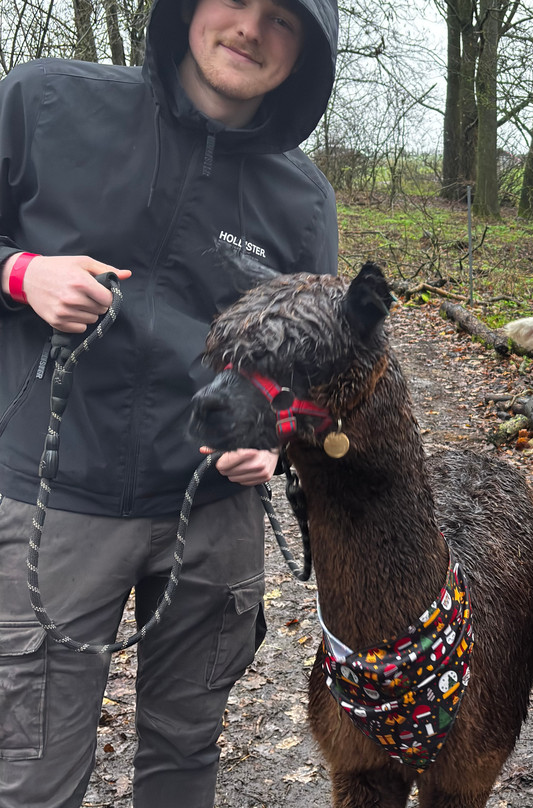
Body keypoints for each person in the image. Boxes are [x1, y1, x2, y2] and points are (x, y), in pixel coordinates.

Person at [0, 0, 338, 803]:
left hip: (213, 513)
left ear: (307, 50)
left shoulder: (303, 201)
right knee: (32, 769)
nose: (250, 29)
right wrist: (24, 275)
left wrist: (277, 428)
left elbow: (315, 370)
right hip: (57, 498)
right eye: (234, 1)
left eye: (282, 18)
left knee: (185, 757)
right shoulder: (45, 103)